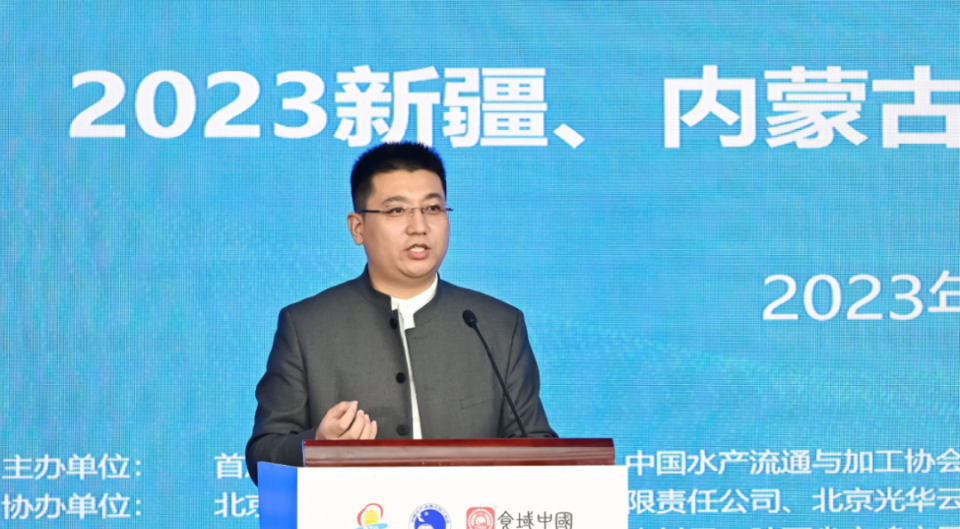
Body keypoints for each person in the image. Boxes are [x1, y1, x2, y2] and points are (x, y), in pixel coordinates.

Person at [245, 141, 555, 485]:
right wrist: (316, 445)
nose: (419, 226)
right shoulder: (307, 326)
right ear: (358, 228)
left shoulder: (497, 324)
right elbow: (263, 457)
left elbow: (535, 443)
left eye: (433, 208)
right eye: (396, 210)